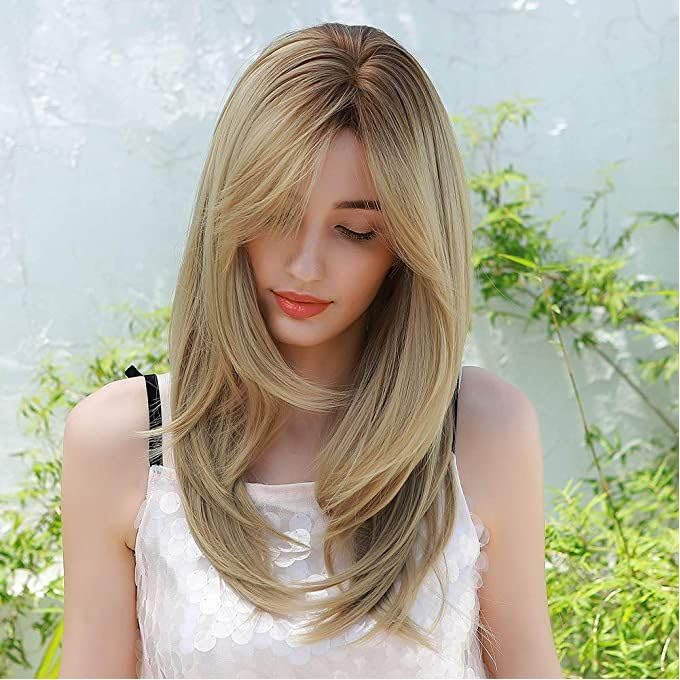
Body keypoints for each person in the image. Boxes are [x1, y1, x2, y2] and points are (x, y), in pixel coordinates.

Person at [59, 21, 562, 678]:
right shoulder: (125, 441)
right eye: (276, 212)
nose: (303, 265)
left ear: (408, 246)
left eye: (354, 230)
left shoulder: (481, 429)